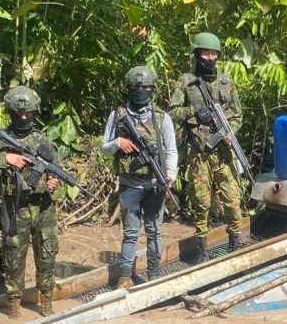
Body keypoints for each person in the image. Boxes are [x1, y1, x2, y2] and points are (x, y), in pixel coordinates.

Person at [0, 85, 61, 318]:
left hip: (44, 208)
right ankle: (13, 304)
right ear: (10, 113)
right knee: (13, 257)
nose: (23, 118)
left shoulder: (43, 141)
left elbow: (58, 172)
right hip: (14, 207)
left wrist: (55, 186)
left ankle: (46, 301)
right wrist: (5, 159)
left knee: (47, 254)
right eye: (18, 114)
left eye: (28, 114)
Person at [169, 32, 245, 261]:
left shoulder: (227, 82)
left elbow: (238, 115)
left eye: (213, 53)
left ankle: (235, 243)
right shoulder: (185, 81)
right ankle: (202, 248)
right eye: (206, 53)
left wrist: (229, 133)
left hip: (224, 152)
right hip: (199, 154)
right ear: (197, 54)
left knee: (232, 200)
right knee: (200, 203)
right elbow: (172, 112)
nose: (210, 57)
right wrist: (194, 112)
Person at [100, 65, 178, 290]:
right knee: (130, 233)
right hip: (129, 185)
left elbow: (171, 150)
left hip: (155, 185)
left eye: (145, 87)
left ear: (152, 89)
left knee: (154, 231)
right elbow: (104, 147)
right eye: (136, 87)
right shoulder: (118, 115)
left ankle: (153, 274)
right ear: (129, 88)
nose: (140, 90)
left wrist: (170, 175)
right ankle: (125, 276)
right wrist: (118, 143)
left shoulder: (162, 118)